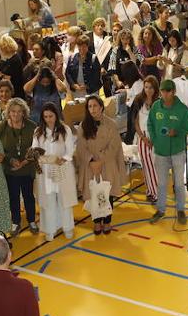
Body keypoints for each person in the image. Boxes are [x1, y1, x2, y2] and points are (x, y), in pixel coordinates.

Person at [75, 96, 127, 234]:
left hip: (106, 164)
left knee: (107, 193)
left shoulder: (111, 124)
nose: (92, 109)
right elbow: (80, 146)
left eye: (95, 106)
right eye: (90, 106)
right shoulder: (83, 125)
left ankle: (107, 221)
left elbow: (114, 145)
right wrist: (91, 160)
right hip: (90, 165)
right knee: (94, 193)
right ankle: (97, 222)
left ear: (101, 107)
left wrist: (101, 159)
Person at [31, 103, 77, 241]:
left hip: (62, 168)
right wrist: (44, 159)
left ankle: (67, 227)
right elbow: (34, 150)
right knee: (48, 201)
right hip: (45, 172)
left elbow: (70, 150)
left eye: (51, 116)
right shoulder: (38, 131)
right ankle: (49, 229)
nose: (48, 119)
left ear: (56, 115)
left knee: (64, 200)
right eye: (45, 116)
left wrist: (63, 159)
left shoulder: (65, 130)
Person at [148, 79, 188, 224]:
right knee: (161, 184)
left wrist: (177, 132)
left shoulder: (182, 109)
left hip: (178, 152)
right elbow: (150, 124)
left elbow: (187, 128)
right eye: (162, 91)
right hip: (160, 153)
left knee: (179, 183)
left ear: (174, 92)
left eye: (168, 91)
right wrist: (155, 139)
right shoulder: (155, 107)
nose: (165, 94)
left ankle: (180, 210)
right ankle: (160, 210)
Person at [0, 98, 37, 234]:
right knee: (13, 197)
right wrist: (10, 160)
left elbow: (36, 149)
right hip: (10, 169)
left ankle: (32, 220)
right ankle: (15, 222)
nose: (16, 114)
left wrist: (24, 162)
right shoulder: (2, 127)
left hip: (27, 168)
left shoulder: (32, 126)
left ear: (24, 113)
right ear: (8, 112)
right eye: (13, 111)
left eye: (19, 112)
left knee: (28, 196)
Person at [130, 77, 162, 202]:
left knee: (155, 166)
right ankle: (153, 192)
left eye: (151, 87)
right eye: (146, 87)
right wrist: (143, 137)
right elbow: (135, 122)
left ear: (155, 88)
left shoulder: (159, 102)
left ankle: (154, 192)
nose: (148, 90)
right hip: (143, 137)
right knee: (147, 166)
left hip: (156, 138)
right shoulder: (138, 100)